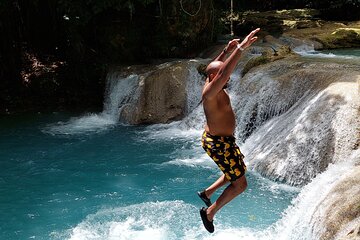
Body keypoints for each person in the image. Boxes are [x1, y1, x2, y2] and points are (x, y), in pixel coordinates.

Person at [198, 28, 260, 233]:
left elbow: (214, 68)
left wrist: (225, 51)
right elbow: (223, 71)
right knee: (240, 184)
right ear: (216, 77)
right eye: (222, 74)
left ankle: (207, 193)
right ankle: (209, 213)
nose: (228, 76)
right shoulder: (210, 93)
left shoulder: (210, 81)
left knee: (236, 170)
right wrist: (241, 48)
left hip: (221, 141)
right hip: (219, 144)